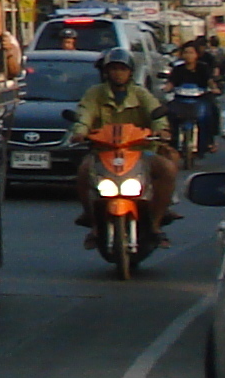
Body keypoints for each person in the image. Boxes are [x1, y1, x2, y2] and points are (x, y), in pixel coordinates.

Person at [74, 48, 177, 239]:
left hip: (140, 152)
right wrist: (80, 132)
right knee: (83, 170)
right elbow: (84, 115)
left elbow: (156, 113)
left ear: (130, 72)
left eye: (122, 69)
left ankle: (156, 222)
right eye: (113, 69)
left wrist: (161, 130)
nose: (118, 73)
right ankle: (93, 221)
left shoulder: (140, 93)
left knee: (167, 169)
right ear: (106, 72)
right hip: (103, 152)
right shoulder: (95, 93)